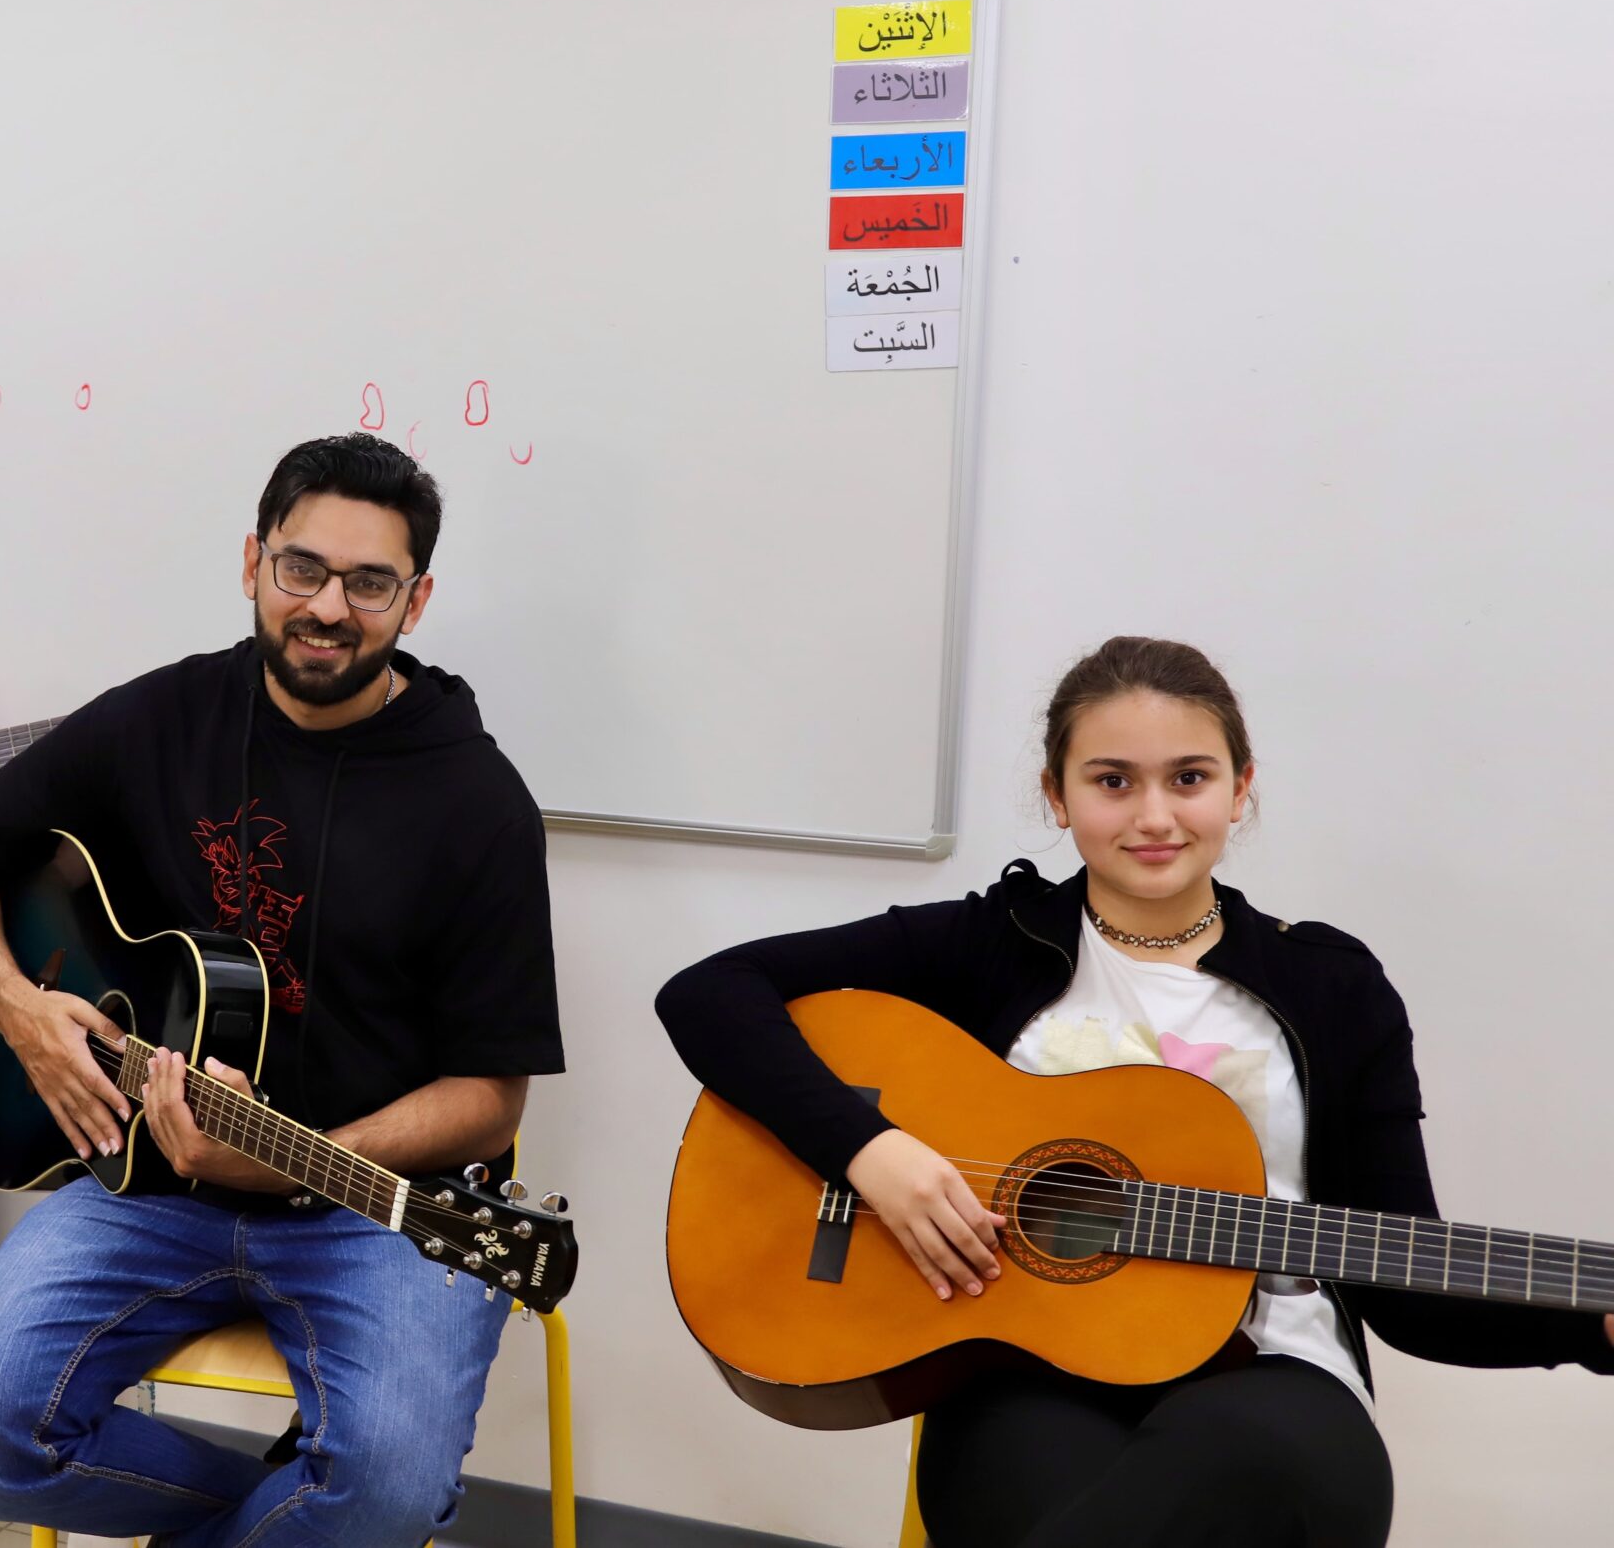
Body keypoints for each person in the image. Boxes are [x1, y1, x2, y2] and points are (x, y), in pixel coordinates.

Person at [656, 635, 1614, 1548]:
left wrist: (1591, 1322)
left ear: (1241, 788)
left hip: (1277, 1364)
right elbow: (708, 995)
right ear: (1056, 796)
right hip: (1026, 1373)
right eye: (1112, 780)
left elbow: (1409, 1288)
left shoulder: (1333, 985)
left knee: (1249, 1461)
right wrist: (870, 1151)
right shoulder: (987, 945)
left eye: (1188, 778)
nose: (1154, 816)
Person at [0, 432, 564, 1548]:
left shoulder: (478, 800)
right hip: (151, 1190)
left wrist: (307, 1156)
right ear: (253, 562)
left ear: (416, 599)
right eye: (302, 568)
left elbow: (491, 1100)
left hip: (377, 1208)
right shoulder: (160, 715)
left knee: (392, 1490)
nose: (328, 607)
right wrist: (18, 1009)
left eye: (370, 583)